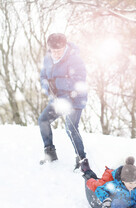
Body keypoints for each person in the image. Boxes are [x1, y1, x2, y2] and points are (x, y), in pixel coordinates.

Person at [38, 33, 88, 171]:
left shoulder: (74, 59)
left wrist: (57, 83)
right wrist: (48, 87)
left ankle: (82, 161)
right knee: (43, 120)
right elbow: (43, 77)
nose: (56, 54)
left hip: (75, 98)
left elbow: (79, 80)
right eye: (53, 51)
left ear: (65, 47)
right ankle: (50, 154)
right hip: (59, 99)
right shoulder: (48, 59)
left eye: (59, 51)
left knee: (71, 128)